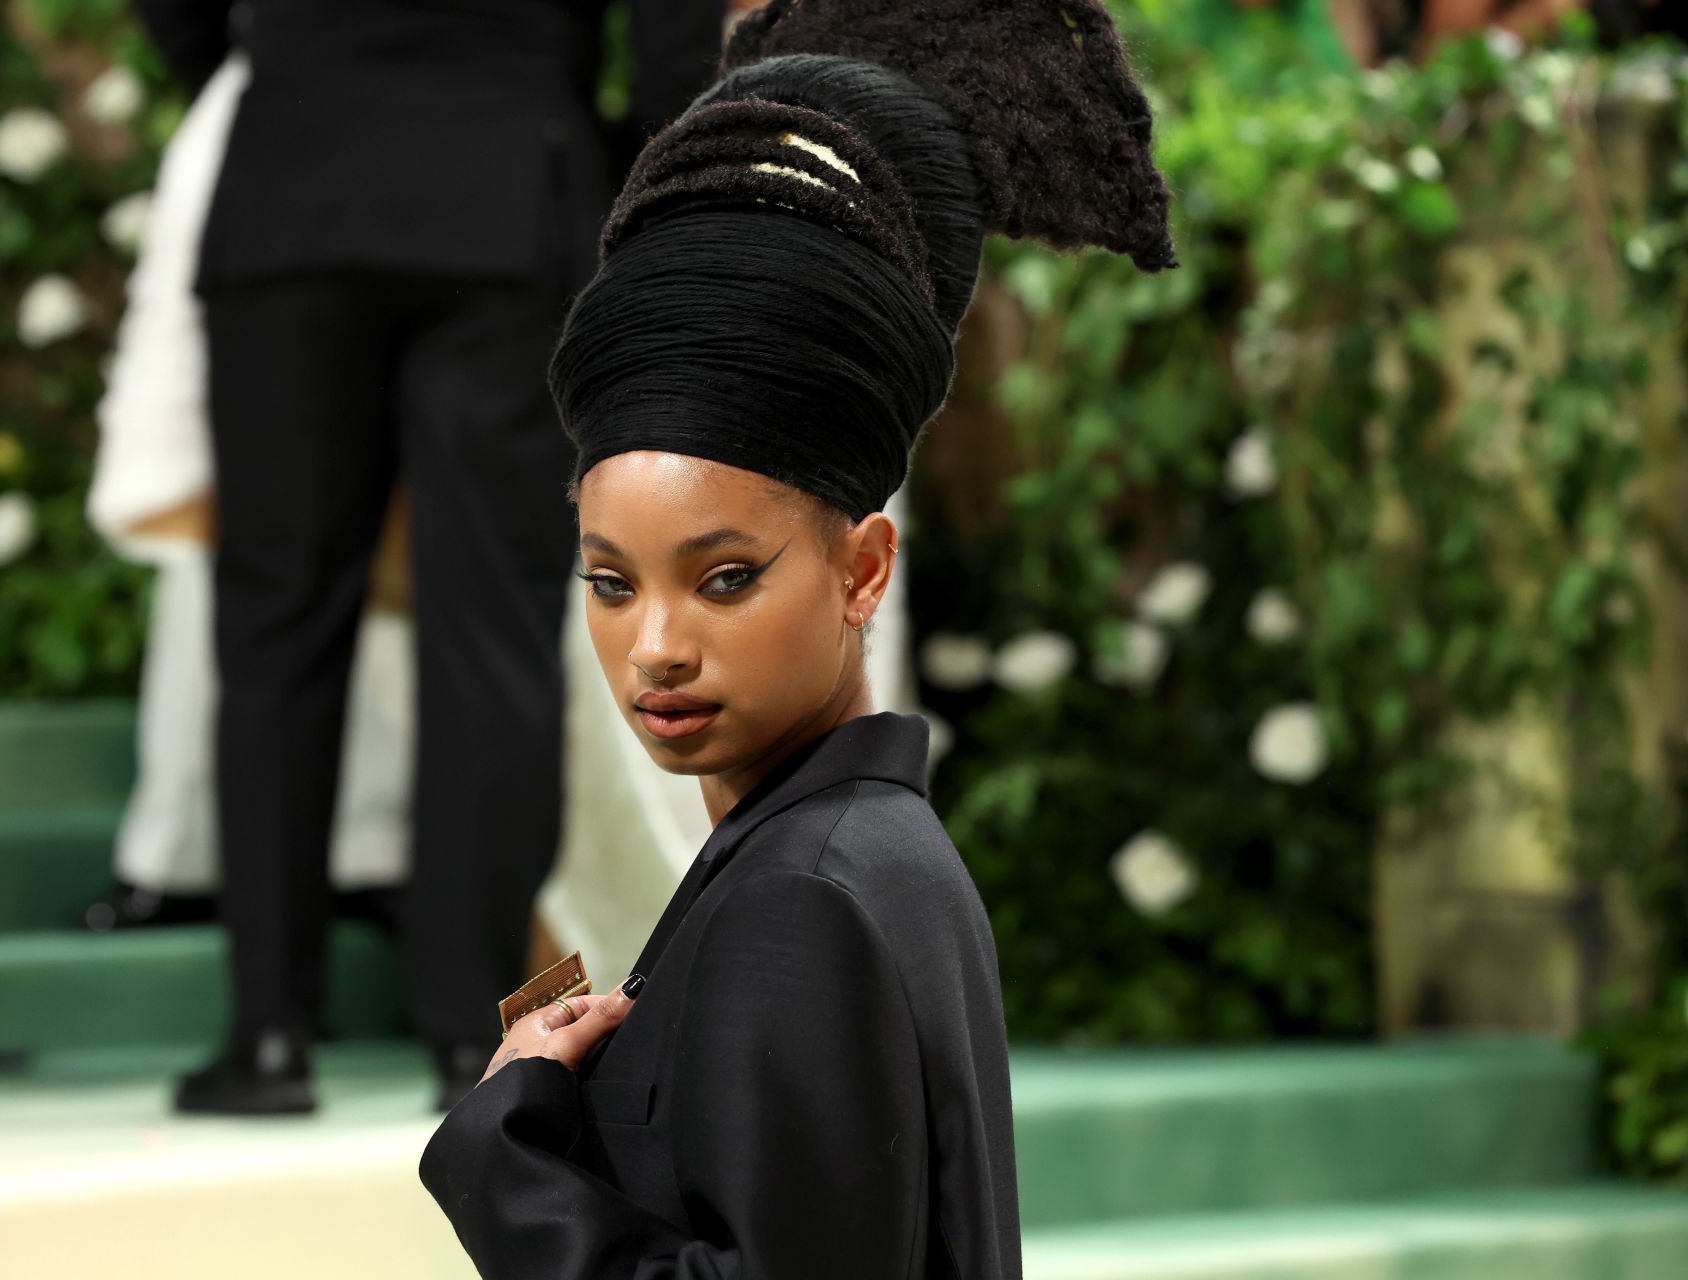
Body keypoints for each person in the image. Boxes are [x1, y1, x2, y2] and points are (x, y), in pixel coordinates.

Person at [417, 0, 1176, 1273]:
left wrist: (504, 1150)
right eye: (610, 582)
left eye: (723, 578)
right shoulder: (864, 851)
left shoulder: (801, 895)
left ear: (863, 565)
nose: (655, 644)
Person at [131, 0, 726, 1117]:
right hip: (508, 178)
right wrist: (632, 156)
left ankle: (267, 1034)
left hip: (292, 180)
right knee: (490, 630)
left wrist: (282, 71)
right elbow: (670, 26)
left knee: (273, 624)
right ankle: (476, 1042)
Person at [84, 50, 413, 937]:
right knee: (238, 558)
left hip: (429, 132)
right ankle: (177, 855)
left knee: (396, 567)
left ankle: (371, 848)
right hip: (279, 126)